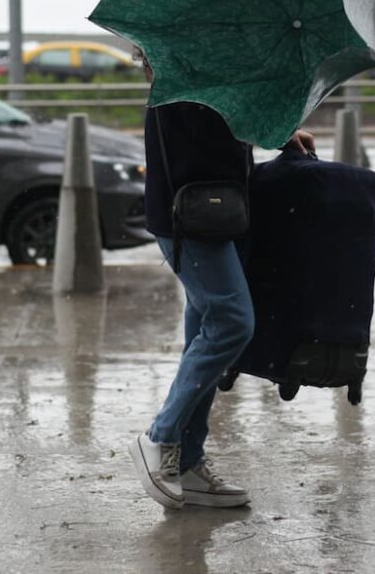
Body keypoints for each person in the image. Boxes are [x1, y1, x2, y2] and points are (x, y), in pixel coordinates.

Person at [128, 49, 314, 510]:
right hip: (190, 218)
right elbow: (214, 131)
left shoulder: (203, 71)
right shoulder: (181, 75)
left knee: (207, 330)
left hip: (216, 215)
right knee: (233, 321)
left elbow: (225, 134)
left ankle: (189, 462)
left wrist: (278, 130)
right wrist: (272, 126)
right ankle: (160, 437)